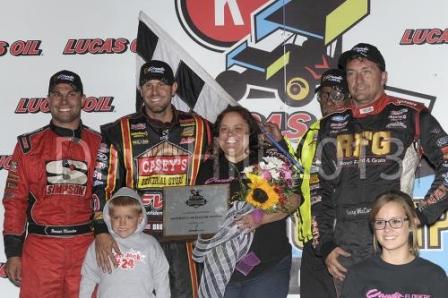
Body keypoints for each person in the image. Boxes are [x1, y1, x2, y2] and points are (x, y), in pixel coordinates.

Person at [314, 43, 448, 296]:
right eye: (351, 73)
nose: (358, 79)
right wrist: (326, 244)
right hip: (346, 244)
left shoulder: (410, 114)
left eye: (366, 71)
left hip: (392, 237)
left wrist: (426, 211)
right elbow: (319, 187)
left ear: (383, 76)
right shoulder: (331, 125)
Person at [92, 60, 213, 298]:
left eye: (162, 84)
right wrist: (100, 230)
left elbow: (234, 153)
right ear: (140, 90)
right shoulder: (119, 130)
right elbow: (101, 186)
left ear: (174, 88)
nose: (155, 91)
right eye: (148, 85)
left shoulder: (202, 127)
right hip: (136, 237)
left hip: (186, 239)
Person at [2, 70, 101, 297]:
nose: (64, 101)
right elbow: (15, 201)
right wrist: (13, 253)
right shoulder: (28, 146)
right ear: (48, 100)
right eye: (57, 94)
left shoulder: (101, 144)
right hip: (41, 250)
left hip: (85, 248)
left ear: (82, 100)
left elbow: (109, 200)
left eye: (71, 94)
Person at [194, 105, 300, 298]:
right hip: (221, 268)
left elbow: (294, 198)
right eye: (224, 129)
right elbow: (196, 212)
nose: (230, 134)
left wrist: (259, 218)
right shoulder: (207, 168)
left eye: (238, 128)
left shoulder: (268, 162)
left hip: (267, 265)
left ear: (250, 132)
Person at [295, 68, 350, 298]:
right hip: (313, 239)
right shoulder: (312, 131)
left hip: (343, 238)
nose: (328, 101)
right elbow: (299, 173)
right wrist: (279, 144)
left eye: (335, 94)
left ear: (349, 97)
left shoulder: (357, 130)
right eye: (324, 95)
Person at [341, 190, 448, 297]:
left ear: (411, 224)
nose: (387, 228)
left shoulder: (434, 276)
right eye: (380, 222)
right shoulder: (358, 275)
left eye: (395, 221)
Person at [80, 187, 170, 298]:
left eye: (129, 217)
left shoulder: (150, 244)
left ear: (140, 218)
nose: (122, 223)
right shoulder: (100, 245)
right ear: (109, 217)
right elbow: (89, 277)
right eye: (117, 217)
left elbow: (161, 279)